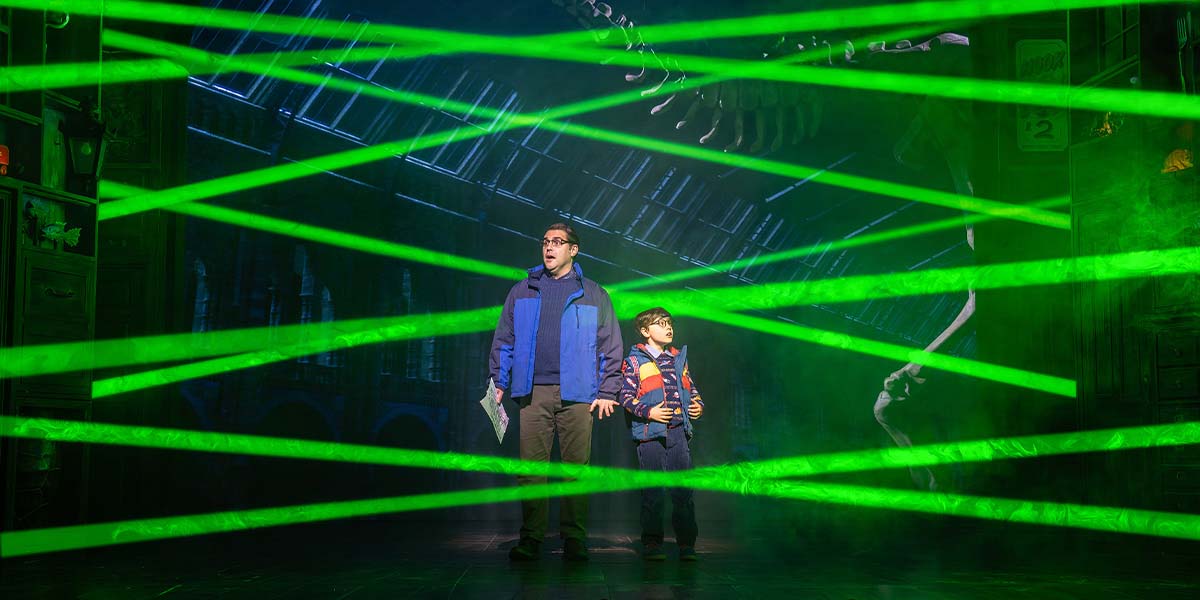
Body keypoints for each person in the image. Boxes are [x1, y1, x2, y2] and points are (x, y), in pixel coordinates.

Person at [488, 222, 623, 562]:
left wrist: (608, 389)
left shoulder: (593, 293)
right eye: (545, 241)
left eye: (557, 242)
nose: (549, 248)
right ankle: (531, 538)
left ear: (573, 250)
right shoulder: (522, 290)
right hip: (532, 393)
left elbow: (611, 346)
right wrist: (499, 382)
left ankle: (574, 539)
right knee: (531, 470)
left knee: (575, 469)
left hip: (578, 395)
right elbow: (504, 340)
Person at [619, 307, 704, 561]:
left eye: (670, 323)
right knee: (653, 492)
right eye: (661, 323)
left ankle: (686, 545)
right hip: (649, 435)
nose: (669, 328)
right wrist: (650, 412)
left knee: (682, 491)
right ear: (645, 331)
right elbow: (625, 397)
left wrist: (698, 405)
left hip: (678, 432)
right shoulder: (635, 361)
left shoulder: (678, 359)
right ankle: (653, 544)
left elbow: (692, 388)